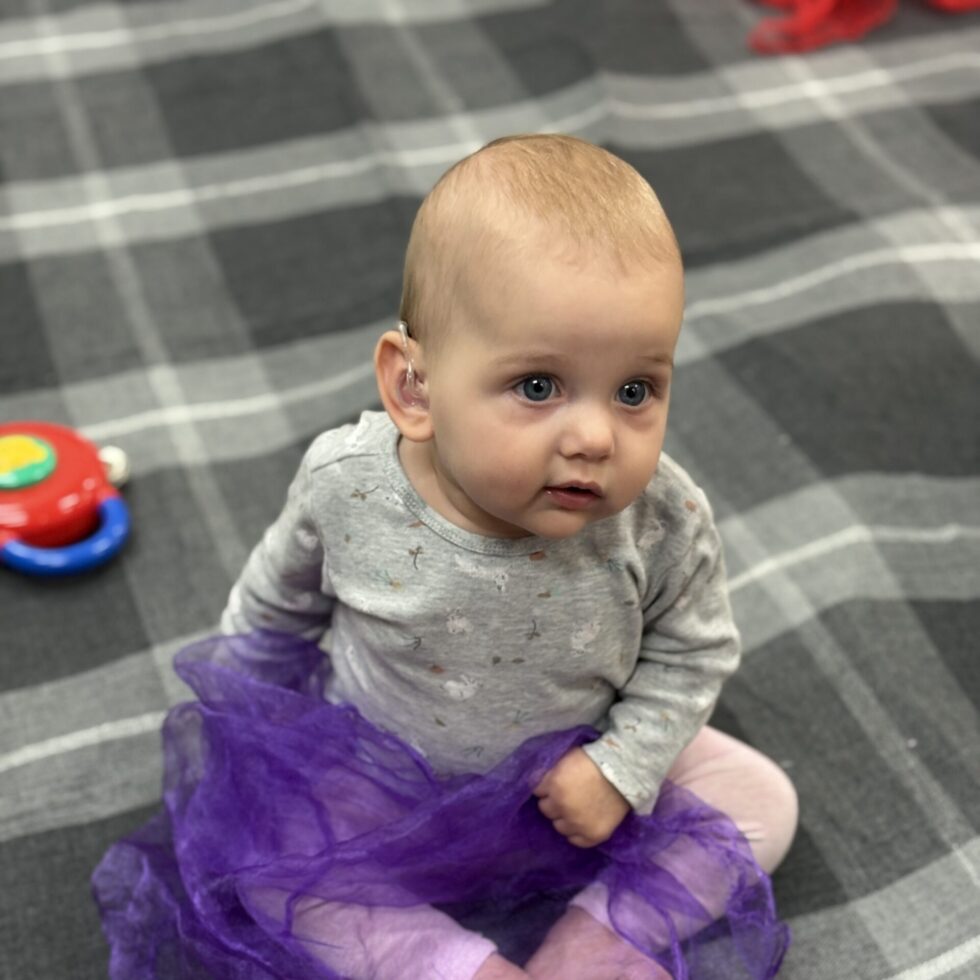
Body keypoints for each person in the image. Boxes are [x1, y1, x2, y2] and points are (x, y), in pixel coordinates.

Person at [218, 133, 798, 979]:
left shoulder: (661, 518)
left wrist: (620, 769)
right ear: (414, 389)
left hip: (572, 782)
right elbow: (274, 607)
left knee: (760, 805)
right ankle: (452, 966)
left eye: (635, 390)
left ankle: (589, 949)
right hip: (386, 778)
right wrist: (247, 737)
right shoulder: (347, 485)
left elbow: (694, 650)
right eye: (538, 386)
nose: (597, 436)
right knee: (271, 866)